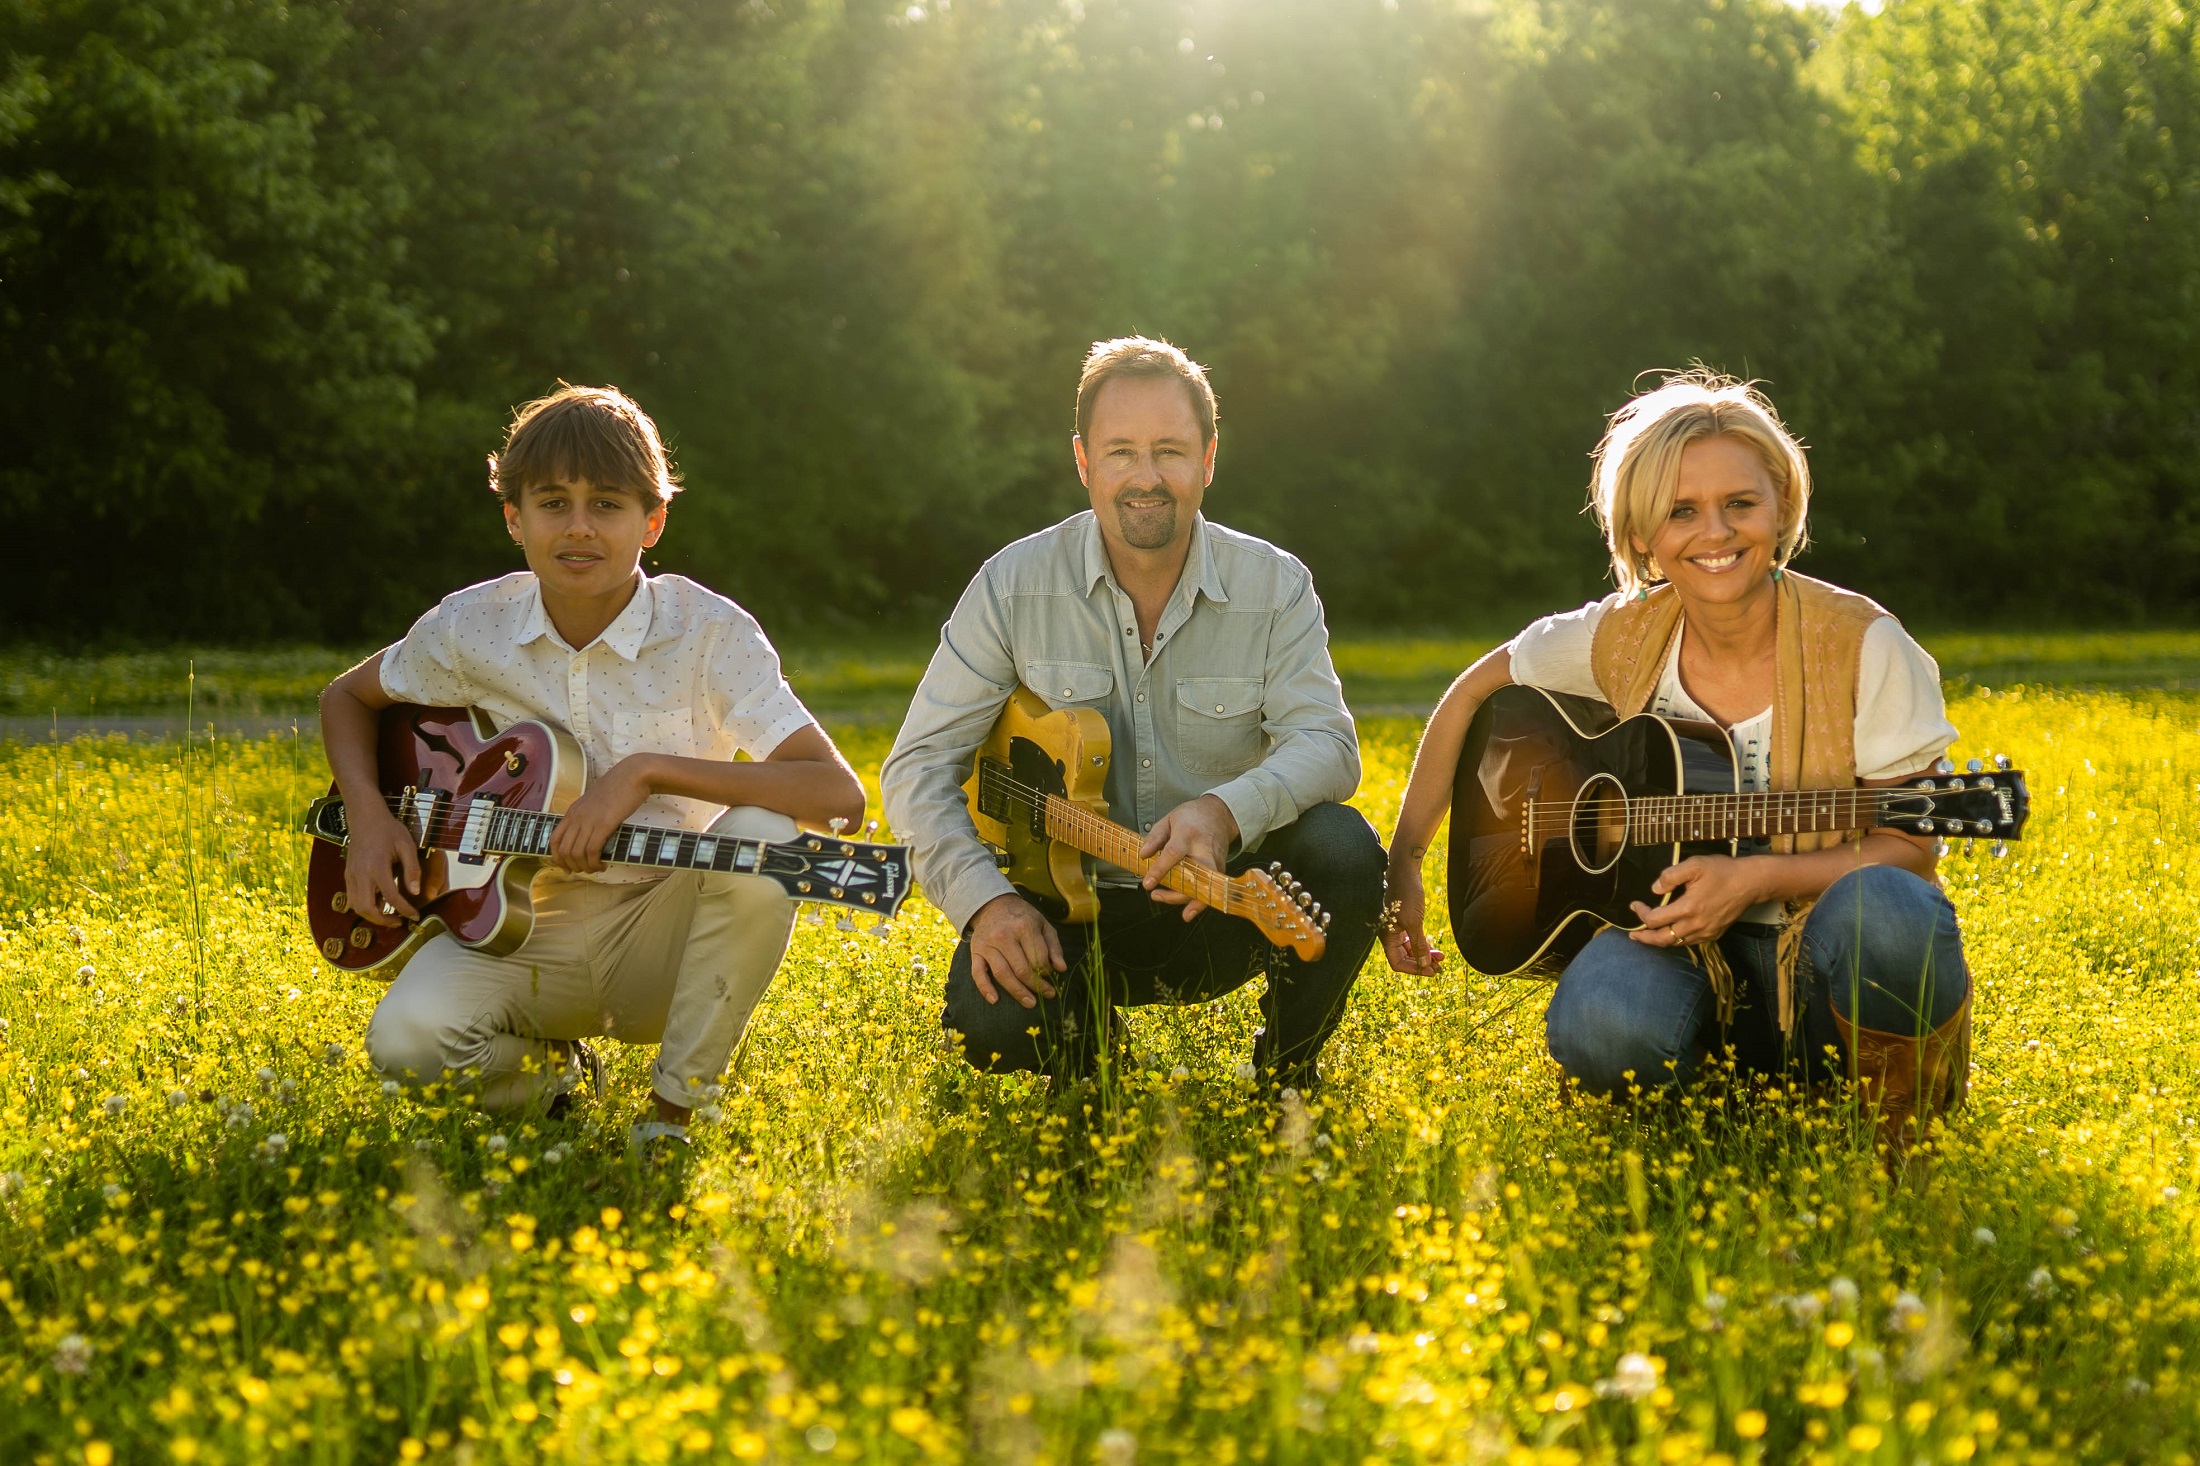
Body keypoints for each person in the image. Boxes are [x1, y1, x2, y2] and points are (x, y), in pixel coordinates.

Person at [1383, 371, 1970, 1147]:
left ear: (1784, 508)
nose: (1716, 533)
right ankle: (1709, 1118)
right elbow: (1469, 695)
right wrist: (1405, 864)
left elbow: (1913, 841)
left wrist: (1756, 878)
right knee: (1602, 1014)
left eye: (1741, 504)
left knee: (1894, 911)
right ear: (1639, 535)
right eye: (1681, 512)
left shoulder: (1861, 642)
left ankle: (1893, 1125)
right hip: (1673, 949)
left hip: (1823, 962)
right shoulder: (1622, 634)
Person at [319, 384, 865, 1153]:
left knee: (764, 835)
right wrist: (371, 821)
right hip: (512, 924)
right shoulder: (472, 625)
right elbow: (348, 697)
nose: (578, 528)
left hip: (664, 936)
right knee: (406, 1046)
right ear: (515, 518)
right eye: (552, 502)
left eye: (606, 504)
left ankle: (672, 1117)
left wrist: (644, 772)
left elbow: (838, 801)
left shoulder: (708, 632)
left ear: (653, 520)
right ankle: (556, 1084)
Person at [881, 337, 1385, 1091]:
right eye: (1121, 452)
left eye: (1170, 451)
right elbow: (919, 766)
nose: (1146, 478)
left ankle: (1286, 1072)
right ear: (1084, 462)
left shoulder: (1275, 586)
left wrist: (1221, 814)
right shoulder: (1013, 585)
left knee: (1345, 852)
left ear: (1208, 460)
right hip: (1063, 913)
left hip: (1219, 907)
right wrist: (987, 906)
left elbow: (1328, 745)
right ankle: (1091, 1053)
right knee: (990, 1030)